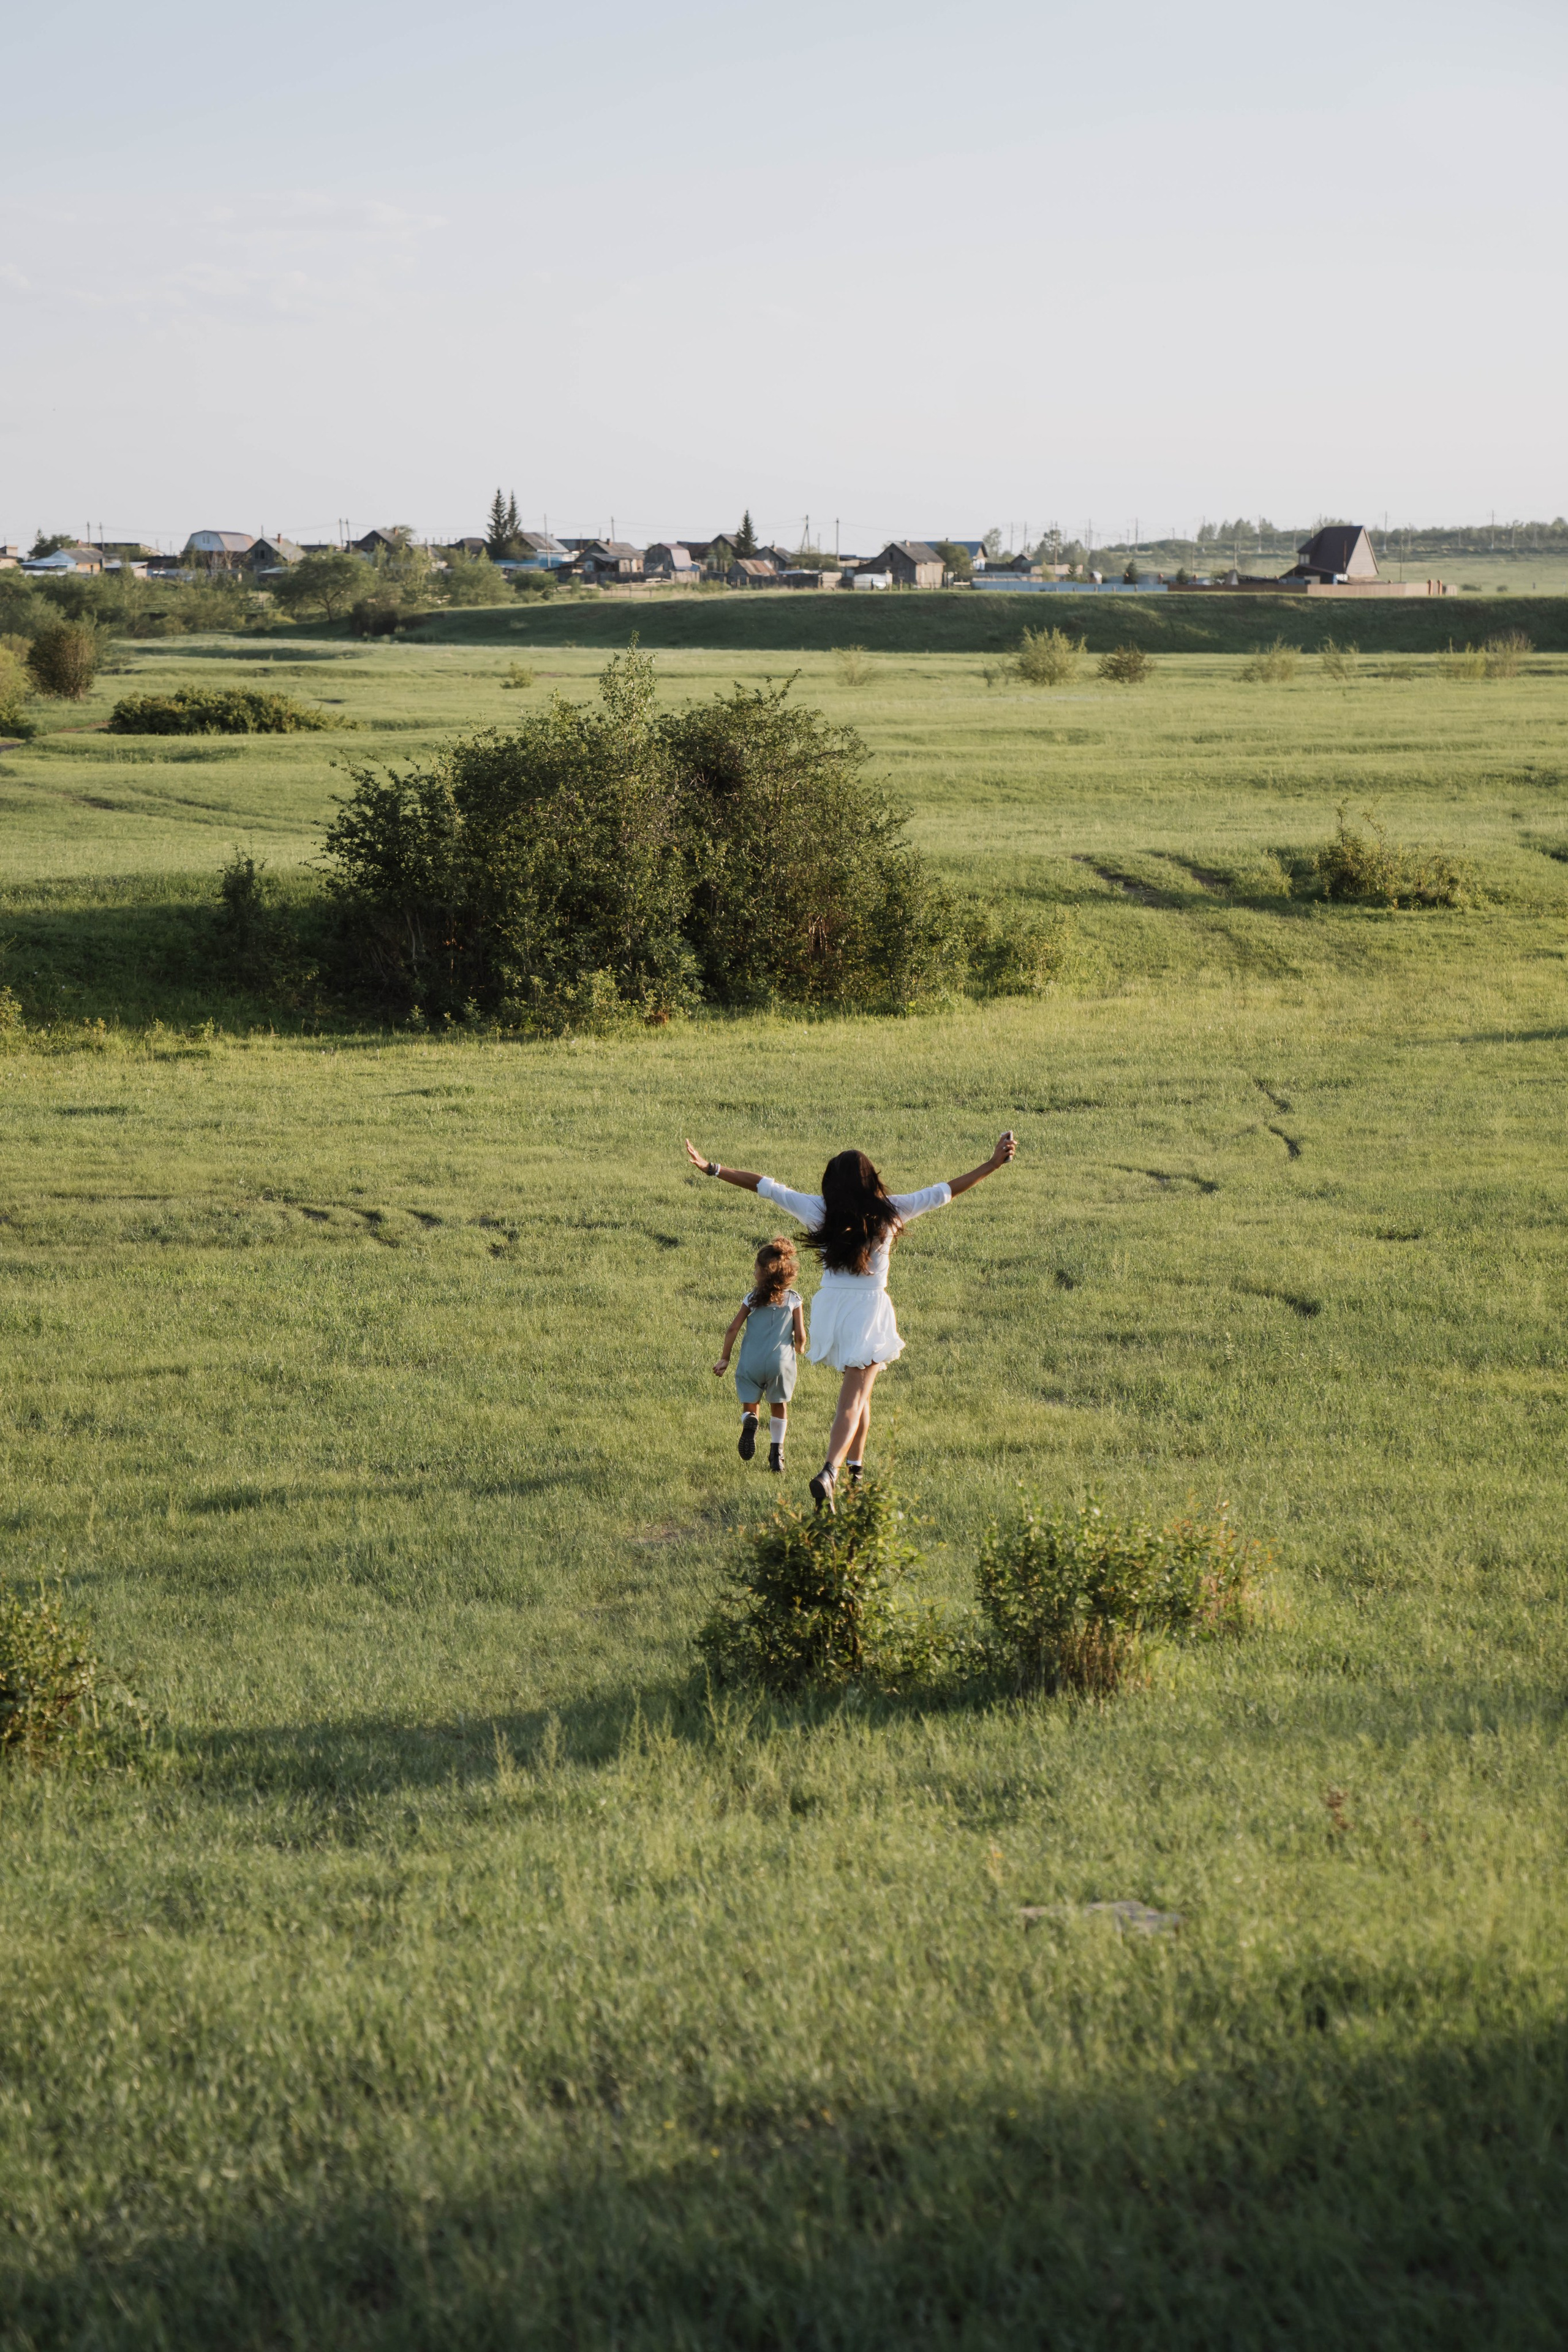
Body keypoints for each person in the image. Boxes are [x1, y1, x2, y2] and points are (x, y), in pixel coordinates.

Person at [683, 1131, 1016, 1509]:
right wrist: (992, 1164)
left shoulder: (819, 1211)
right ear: (871, 1179)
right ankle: (830, 1471)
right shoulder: (892, 1211)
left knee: (862, 1392)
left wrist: (713, 1168)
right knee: (852, 1398)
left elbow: (765, 1186)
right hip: (867, 1312)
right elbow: (945, 1191)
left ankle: (856, 1473)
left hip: (831, 1310)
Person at [711, 1237, 805, 1475]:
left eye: (756, 1269)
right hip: (780, 1363)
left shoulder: (752, 1299)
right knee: (779, 1406)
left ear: (764, 1273)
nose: (754, 1273)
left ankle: (749, 1420)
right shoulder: (794, 1299)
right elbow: (801, 1336)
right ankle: (777, 1456)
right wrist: (799, 1348)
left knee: (751, 1404)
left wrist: (725, 1358)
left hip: (751, 1361)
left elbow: (733, 1328)